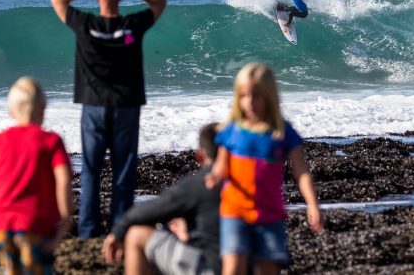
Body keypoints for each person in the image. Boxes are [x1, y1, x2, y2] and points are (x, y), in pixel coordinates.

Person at [50, 0, 167, 239]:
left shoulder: (86, 24)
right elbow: (159, 2)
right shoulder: (130, 26)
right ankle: (119, 229)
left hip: (93, 107)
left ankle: (88, 230)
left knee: (91, 169)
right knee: (123, 169)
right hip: (126, 106)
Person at [205, 63, 323, 275]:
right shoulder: (231, 131)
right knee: (232, 269)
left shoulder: (282, 132)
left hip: (269, 214)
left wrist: (312, 204)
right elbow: (221, 167)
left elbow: (301, 171)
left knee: (266, 270)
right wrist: (214, 177)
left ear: (269, 96)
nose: (249, 101)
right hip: (235, 212)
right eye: (243, 95)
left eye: (256, 95)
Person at [0, 77, 72, 274]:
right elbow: (63, 179)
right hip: (35, 225)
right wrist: (64, 220)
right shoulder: (51, 141)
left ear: (10, 111)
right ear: (43, 109)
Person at [102, 122, 222, 275]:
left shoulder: (203, 183)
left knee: (137, 235)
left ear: (199, 155)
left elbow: (145, 212)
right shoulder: (254, 178)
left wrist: (118, 231)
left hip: (213, 268)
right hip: (253, 263)